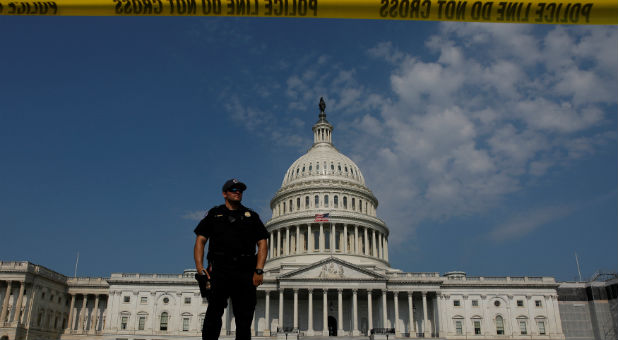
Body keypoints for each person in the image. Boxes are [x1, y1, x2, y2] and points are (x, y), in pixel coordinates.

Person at [194, 178, 269, 340]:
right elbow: (200, 240)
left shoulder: (251, 216)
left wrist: (259, 270)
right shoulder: (214, 214)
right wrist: (200, 268)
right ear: (224, 194)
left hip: (244, 271)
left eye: (240, 190)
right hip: (219, 270)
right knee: (213, 315)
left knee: (244, 318)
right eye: (233, 190)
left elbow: (263, 243)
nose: (237, 192)